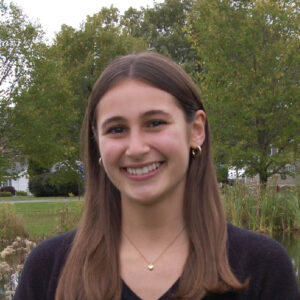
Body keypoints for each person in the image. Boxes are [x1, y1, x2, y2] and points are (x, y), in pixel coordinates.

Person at [13, 52, 299, 300]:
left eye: (155, 123)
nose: (136, 148)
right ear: (96, 142)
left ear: (196, 130)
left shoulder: (262, 266)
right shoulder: (49, 269)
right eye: (116, 129)